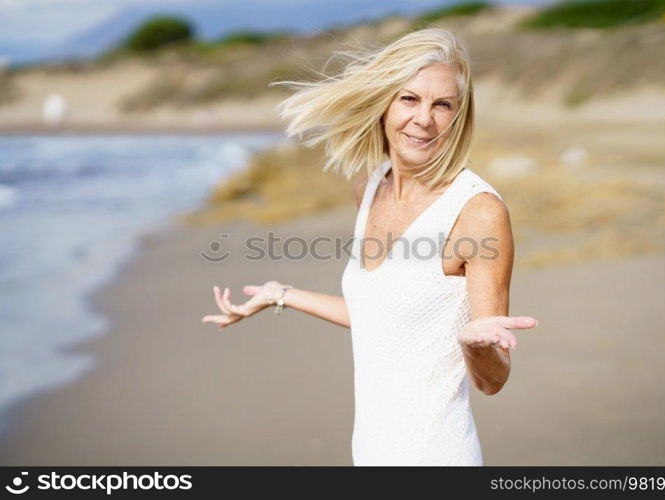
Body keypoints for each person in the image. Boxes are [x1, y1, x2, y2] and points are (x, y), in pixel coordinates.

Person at [202, 28, 539, 466]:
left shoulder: (476, 212)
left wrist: (475, 347)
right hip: (372, 452)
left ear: (459, 116)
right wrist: (281, 294)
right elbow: (381, 317)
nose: (424, 119)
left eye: (443, 105)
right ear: (383, 102)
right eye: (409, 99)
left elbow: (494, 380)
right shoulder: (370, 186)